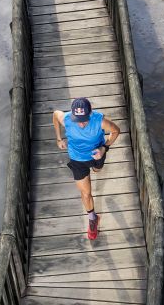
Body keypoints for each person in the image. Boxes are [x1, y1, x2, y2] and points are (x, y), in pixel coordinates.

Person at [52, 97, 121, 240]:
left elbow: (115, 131)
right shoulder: (66, 119)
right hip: (77, 159)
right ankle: (93, 218)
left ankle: (96, 168)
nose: (82, 124)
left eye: (84, 119)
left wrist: (104, 148)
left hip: (97, 154)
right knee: (86, 193)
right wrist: (59, 138)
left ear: (90, 114)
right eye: (78, 120)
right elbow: (55, 114)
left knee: (97, 170)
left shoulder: (99, 121)